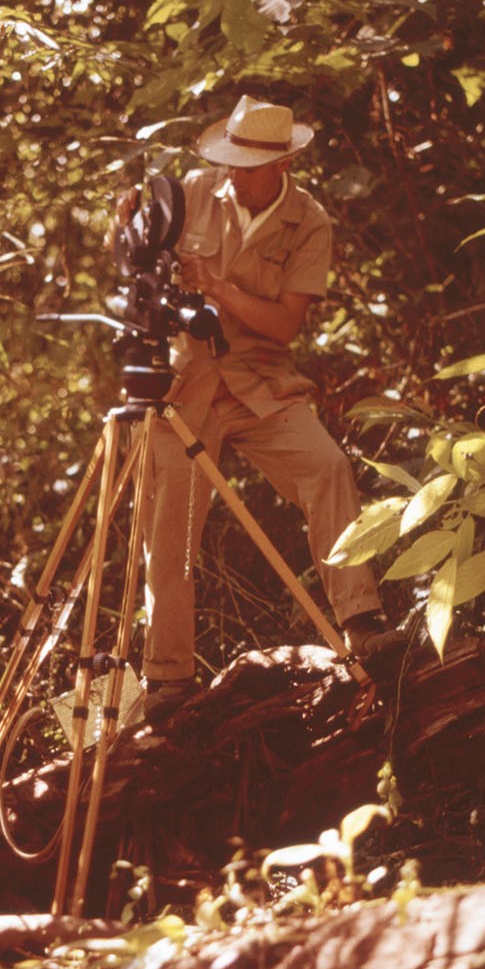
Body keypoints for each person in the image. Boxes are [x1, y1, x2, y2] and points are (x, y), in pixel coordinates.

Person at [115, 95, 391, 715]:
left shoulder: (308, 222)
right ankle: (167, 680)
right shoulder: (192, 192)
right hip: (185, 385)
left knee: (327, 468)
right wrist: (127, 224)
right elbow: (139, 256)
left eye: (247, 164)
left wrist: (218, 287)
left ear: (282, 164)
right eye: (229, 160)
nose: (234, 172)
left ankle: (363, 624)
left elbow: (284, 325)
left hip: (261, 382)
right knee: (170, 528)